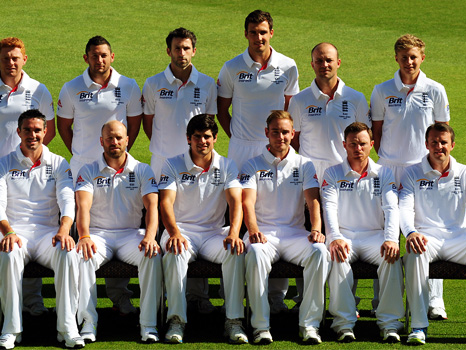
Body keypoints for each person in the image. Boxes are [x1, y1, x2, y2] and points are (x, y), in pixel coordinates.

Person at [0, 36, 54, 318]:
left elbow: (45, 131)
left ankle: (32, 300)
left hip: (25, 172)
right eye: (5, 57)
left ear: (24, 59)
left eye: (16, 57)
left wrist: (28, 157)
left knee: (29, 227)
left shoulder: (39, 90)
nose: (11, 62)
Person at [217, 9, 300, 314]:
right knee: (237, 220)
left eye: (263, 32)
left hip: (276, 147)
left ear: (271, 33)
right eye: (253, 32)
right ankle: (233, 296)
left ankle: (275, 296)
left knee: (277, 215)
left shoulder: (288, 67)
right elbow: (222, 110)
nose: (258, 37)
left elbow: (291, 112)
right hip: (241, 150)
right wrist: (240, 136)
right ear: (246, 34)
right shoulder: (231, 68)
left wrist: (274, 140)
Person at [57, 35, 142, 316]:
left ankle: (120, 295)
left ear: (112, 56)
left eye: (104, 55)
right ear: (86, 58)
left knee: (118, 224)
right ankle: (83, 304)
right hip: (84, 168)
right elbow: (64, 126)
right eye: (94, 55)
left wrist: (116, 153)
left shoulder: (128, 86)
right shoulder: (71, 89)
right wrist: (82, 153)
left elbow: (134, 125)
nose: (99, 60)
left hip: (116, 167)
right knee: (87, 231)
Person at [371, 34, 451, 320]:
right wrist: (390, 160)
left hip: (423, 170)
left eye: (414, 56)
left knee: (428, 228)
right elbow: (376, 135)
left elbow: (442, 132)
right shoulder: (381, 90)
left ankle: (434, 301)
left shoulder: (436, 90)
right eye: (404, 57)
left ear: (422, 58)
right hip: (389, 168)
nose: (409, 62)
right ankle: (381, 298)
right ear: (396, 58)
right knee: (386, 230)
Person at [400, 123, 466, 347]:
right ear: (426, 144)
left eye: (443, 142)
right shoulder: (411, 173)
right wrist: (411, 232)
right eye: (434, 142)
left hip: (459, 238)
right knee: (414, 254)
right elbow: (404, 208)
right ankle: (418, 326)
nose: (439, 147)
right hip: (426, 238)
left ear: (452, 145)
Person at [0, 110, 81, 349]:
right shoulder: (2, 164)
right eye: (27, 130)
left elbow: (67, 200)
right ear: (18, 132)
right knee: (8, 255)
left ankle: (67, 327)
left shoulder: (59, 163)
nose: (32, 135)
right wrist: (8, 232)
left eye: (37, 130)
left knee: (68, 252)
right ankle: (11, 330)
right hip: (15, 232)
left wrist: (64, 229)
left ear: (45, 132)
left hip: (47, 234)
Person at [240, 111, 329, 344]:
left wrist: (316, 230)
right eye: (276, 132)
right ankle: (260, 326)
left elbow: (313, 202)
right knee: (256, 253)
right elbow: (246, 202)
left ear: (293, 133)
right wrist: (252, 230)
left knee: (319, 251)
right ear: (266, 133)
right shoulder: (251, 165)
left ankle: (309, 325)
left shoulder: (304, 164)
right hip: (263, 234)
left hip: (295, 235)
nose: (281, 136)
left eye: (285, 132)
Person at [158, 114, 247, 343]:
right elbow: (165, 202)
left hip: (213, 233)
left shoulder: (227, 165)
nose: (202, 142)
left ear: (215, 138)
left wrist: (234, 233)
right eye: (197, 137)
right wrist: (175, 233)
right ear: (188, 138)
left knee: (235, 249)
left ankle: (234, 320)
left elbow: (235, 202)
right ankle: (177, 321)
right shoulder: (172, 163)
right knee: (174, 250)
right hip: (181, 230)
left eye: (207, 136)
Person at [75, 121, 162, 343]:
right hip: (97, 235)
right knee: (82, 255)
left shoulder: (142, 169)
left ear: (127, 140)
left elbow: (152, 206)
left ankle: (148, 324)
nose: (114, 142)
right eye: (109, 138)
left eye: (118, 138)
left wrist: (150, 236)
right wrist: (84, 236)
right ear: (101, 141)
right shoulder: (88, 170)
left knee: (151, 254)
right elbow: (82, 207)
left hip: (130, 235)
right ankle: (88, 322)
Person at [322, 122, 404, 343]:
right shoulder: (332, 173)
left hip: (374, 236)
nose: (357, 148)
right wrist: (336, 238)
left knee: (392, 258)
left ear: (372, 145)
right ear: (344, 145)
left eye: (362, 144)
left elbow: (391, 208)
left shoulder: (384, 173)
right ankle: (343, 324)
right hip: (345, 235)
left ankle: (390, 324)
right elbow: (329, 208)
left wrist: (391, 239)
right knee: (337, 257)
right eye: (353, 144)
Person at [289, 42, 370, 184]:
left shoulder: (356, 98)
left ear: (338, 63)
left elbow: (366, 136)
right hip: (309, 173)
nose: (324, 65)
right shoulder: (299, 100)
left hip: (344, 172)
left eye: (328, 60)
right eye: (319, 61)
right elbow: (293, 137)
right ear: (312, 64)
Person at [142, 27, 217, 179]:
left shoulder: (207, 83)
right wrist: (163, 144)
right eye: (177, 48)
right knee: (159, 203)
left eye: (186, 48)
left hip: (195, 159)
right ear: (169, 51)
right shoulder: (152, 83)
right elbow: (147, 121)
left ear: (194, 51)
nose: (182, 53)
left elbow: (209, 122)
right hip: (161, 160)